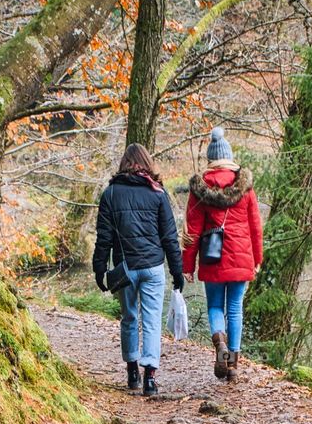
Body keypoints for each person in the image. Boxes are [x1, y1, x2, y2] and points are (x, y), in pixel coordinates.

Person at [93, 143, 184, 398]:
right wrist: (177, 271)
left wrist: (99, 268)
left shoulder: (110, 194)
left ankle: (132, 370)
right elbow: (170, 237)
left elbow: (104, 238)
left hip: (126, 268)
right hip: (153, 267)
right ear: (147, 163)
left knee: (130, 317)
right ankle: (150, 378)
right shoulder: (157, 193)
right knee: (152, 321)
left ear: (124, 164)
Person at [182, 126, 263, 383]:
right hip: (241, 257)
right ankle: (233, 367)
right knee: (235, 308)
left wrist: (187, 266)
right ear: (229, 157)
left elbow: (192, 231)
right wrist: (258, 259)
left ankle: (220, 345)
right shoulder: (245, 188)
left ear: (210, 159)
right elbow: (255, 227)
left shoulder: (199, 189)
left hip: (212, 257)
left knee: (215, 306)